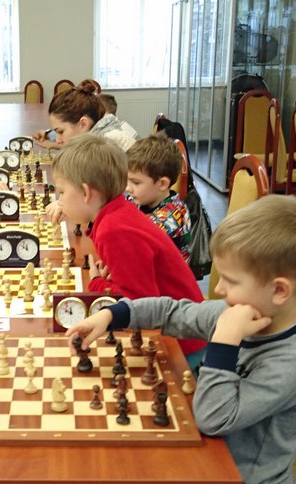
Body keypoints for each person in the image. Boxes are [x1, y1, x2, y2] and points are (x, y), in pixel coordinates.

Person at [66, 195, 296, 484]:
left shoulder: (290, 364)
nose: (218, 290)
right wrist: (113, 315)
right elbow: (171, 311)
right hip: (206, 475)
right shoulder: (239, 311)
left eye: (231, 281)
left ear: (279, 290)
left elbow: (214, 417)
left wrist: (224, 341)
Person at [53, 134, 205, 364]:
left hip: (180, 343)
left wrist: (98, 284)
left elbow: (141, 304)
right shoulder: (117, 213)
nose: (60, 201)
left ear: (86, 193)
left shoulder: (114, 230)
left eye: (62, 192)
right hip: (180, 328)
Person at [125, 133, 192, 261]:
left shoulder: (169, 219)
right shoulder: (143, 197)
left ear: (162, 184)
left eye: (136, 182)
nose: (128, 188)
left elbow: (131, 248)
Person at [32, 79, 138, 152]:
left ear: (83, 124)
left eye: (60, 132)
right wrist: (48, 135)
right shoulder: (103, 122)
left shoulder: (109, 143)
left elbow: (81, 150)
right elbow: (77, 136)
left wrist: (54, 143)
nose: (58, 140)